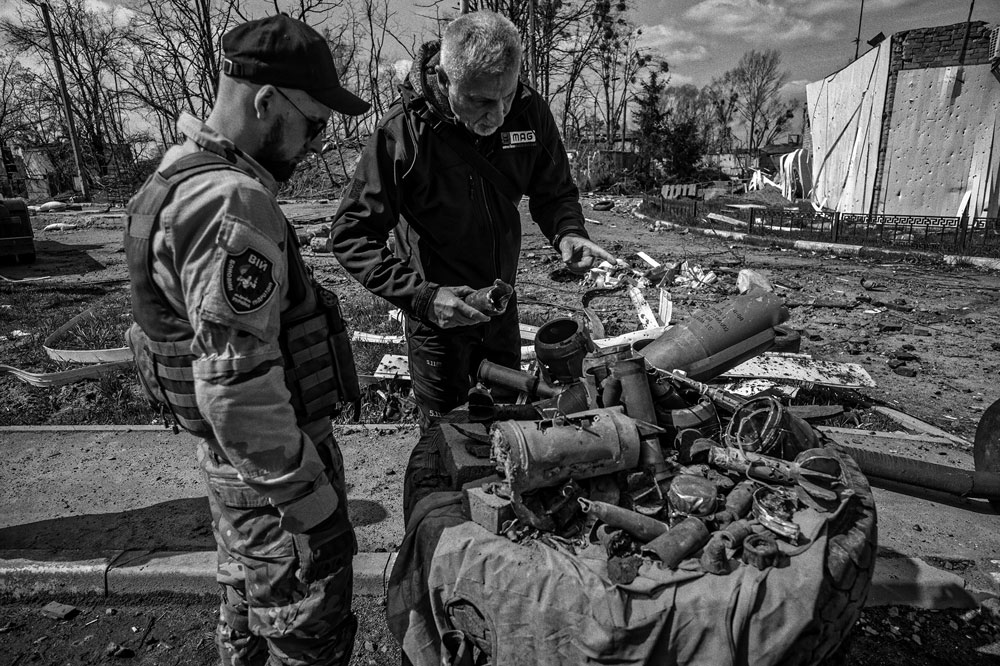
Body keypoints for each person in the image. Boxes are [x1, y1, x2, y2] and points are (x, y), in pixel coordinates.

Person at [123, 15, 369, 666]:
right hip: (273, 486)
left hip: (233, 477)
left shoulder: (176, 175)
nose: (314, 143)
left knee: (244, 613)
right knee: (303, 636)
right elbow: (238, 392)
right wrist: (313, 506)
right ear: (266, 103)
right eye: (312, 123)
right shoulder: (232, 201)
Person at [331, 10, 616, 432]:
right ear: (445, 82)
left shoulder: (529, 112)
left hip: (499, 311)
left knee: (506, 429)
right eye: (482, 101)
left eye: (506, 96)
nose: (499, 114)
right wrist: (424, 298)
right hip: (436, 321)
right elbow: (351, 235)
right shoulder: (404, 131)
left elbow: (553, 191)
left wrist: (568, 230)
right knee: (447, 439)